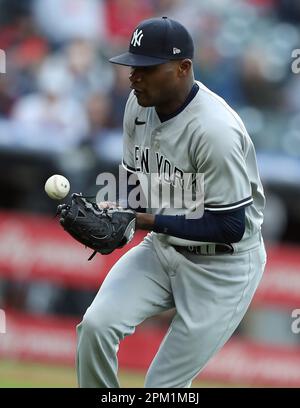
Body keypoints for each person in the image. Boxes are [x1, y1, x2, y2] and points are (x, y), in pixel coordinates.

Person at [76, 16, 266, 388]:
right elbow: (133, 180)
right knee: (96, 327)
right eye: (133, 66)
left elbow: (230, 226)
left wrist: (143, 220)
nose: (134, 76)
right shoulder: (137, 105)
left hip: (223, 269)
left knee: (162, 388)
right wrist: (119, 217)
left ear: (183, 68)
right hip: (162, 249)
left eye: (147, 68)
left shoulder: (214, 130)